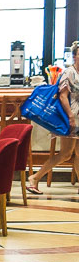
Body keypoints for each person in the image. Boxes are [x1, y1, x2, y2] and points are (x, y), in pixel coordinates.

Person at [27, 41, 79, 195]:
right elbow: (63, 96)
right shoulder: (69, 72)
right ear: (75, 56)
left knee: (77, 152)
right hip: (71, 117)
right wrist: (70, 117)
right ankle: (35, 178)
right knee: (66, 153)